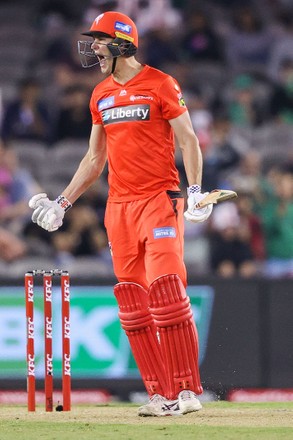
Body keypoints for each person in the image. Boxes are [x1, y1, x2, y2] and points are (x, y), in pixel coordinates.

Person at [28, 11, 213, 417]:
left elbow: (189, 140)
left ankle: (186, 391)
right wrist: (63, 203)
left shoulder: (161, 83)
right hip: (119, 208)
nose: (93, 46)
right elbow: (95, 158)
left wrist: (195, 192)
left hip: (158, 200)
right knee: (132, 301)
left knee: (166, 290)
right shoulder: (100, 94)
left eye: (99, 39)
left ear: (122, 43)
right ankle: (160, 396)